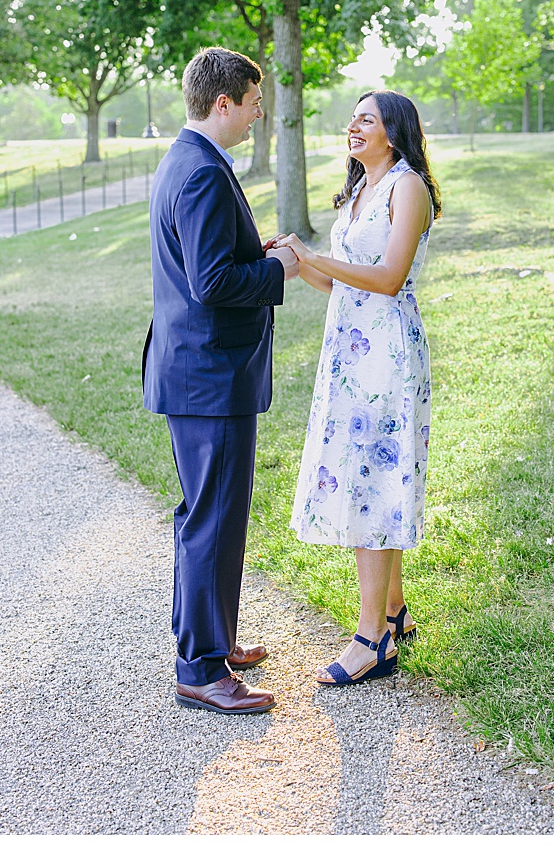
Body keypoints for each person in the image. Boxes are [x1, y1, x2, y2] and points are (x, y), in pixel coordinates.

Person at [144, 47, 300, 714]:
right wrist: (277, 272)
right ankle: (202, 669)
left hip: (194, 373)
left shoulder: (187, 158)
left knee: (203, 517)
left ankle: (211, 640)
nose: (259, 115)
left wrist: (253, 255)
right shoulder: (203, 171)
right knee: (212, 519)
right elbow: (211, 285)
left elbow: (206, 262)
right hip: (209, 377)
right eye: (254, 103)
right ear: (223, 103)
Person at [275, 90, 438, 685]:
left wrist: (320, 256)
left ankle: (371, 640)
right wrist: (297, 261)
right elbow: (342, 286)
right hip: (348, 351)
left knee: (371, 485)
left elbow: (389, 280)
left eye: (365, 119)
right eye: (353, 118)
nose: (352, 126)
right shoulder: (361, 193)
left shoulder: (406, 187)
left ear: (392, 131)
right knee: (366, 477)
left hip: (386, 357)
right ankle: (395, 613)